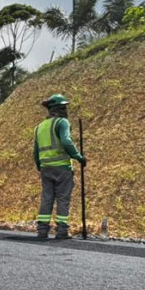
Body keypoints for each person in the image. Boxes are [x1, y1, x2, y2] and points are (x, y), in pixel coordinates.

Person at [33, 93, 86, 239]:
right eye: (63, 108)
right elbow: (66, 141)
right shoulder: (62, 123)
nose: (65, 110)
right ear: (57, 109)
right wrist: (78, 157)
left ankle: (42, 230)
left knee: (47, 198)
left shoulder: (39, 127)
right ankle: (62, 231)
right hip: (62, 168)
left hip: (46, 168)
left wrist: (39, 165)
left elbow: (36, 151)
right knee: (63, 198)